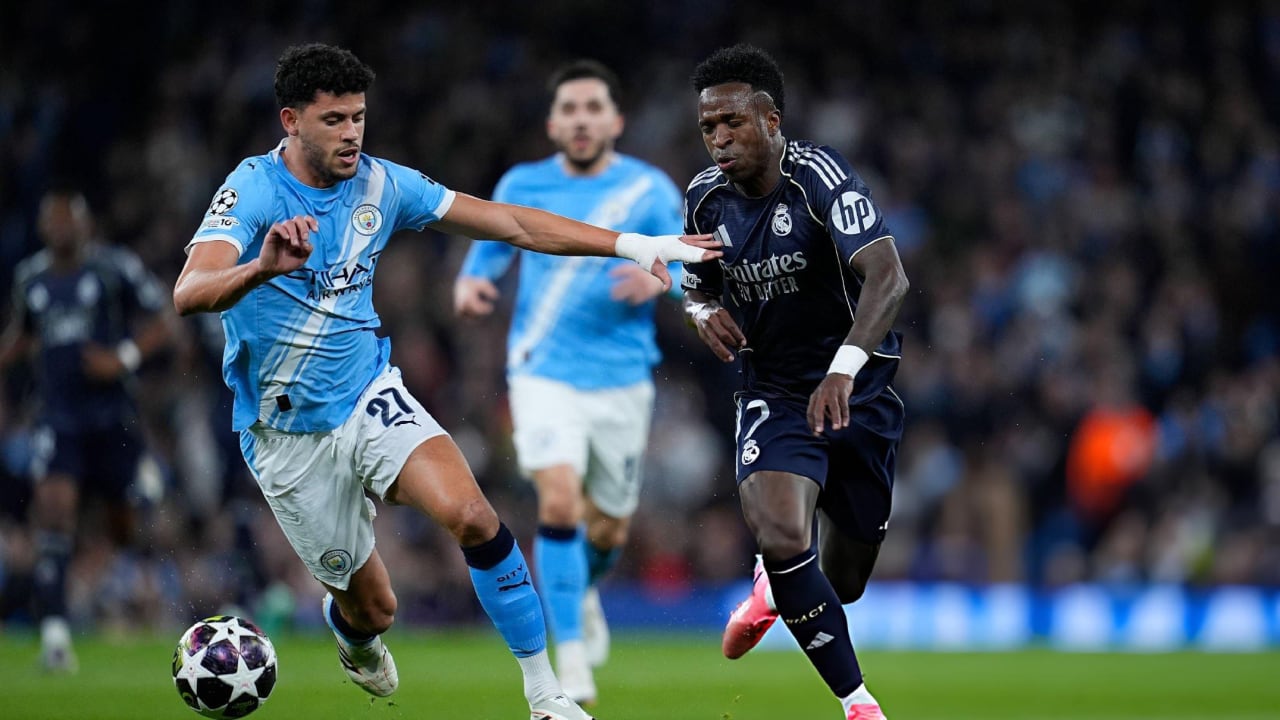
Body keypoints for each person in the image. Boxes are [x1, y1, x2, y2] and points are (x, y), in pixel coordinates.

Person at [171, 42, 717, 720]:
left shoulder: (384, 185)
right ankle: (354, 634)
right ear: (291, 121)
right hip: (285, 435)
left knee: (473, 516)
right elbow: (189, 292)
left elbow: (511, 222)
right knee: (376, 607)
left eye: (359, 118)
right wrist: (260, 268)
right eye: (335, 120)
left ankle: (546, 695)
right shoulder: (252, 188)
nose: (352, 134)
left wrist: (631, 243)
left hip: (368, 393)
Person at [680, 44, 909, 720]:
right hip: (775, 392)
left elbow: (888, 277)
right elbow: (696, 287)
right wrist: (700, 311)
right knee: (784, 536)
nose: (719, 139)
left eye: (733, 123)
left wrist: (843, 369)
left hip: (858, 394)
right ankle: (858, 703)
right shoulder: (703, 199)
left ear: (772, 121)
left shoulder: (818, 179)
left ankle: (771, 592)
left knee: (843, 581)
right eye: (708, 128)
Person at [452, 59, 684, 706]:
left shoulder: (649, 190)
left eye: (593, 108)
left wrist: (659, 278)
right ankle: (570, 658)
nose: (582, 120)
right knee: (558, 502)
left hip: (621, 382)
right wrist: (473, 280)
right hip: (540, 372)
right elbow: (490, 243)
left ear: (616, 120)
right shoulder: (523, 183)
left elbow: (689, 265)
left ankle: (583, 590)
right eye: (570, 109)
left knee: (607, 530)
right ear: (554, 124)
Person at [0, 186, 174, 672]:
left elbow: (166, 317)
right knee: (52, 515)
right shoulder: (29, 277)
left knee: (124, 523)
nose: (60, 228)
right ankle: (56, 639)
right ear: (42, 228)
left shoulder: (113, 267)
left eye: (68, 219)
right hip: (58, 417)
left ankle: (136, 591)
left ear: (85, 225)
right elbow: (23, 335)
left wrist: (123, 357)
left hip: (113, 416)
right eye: (51, 221)